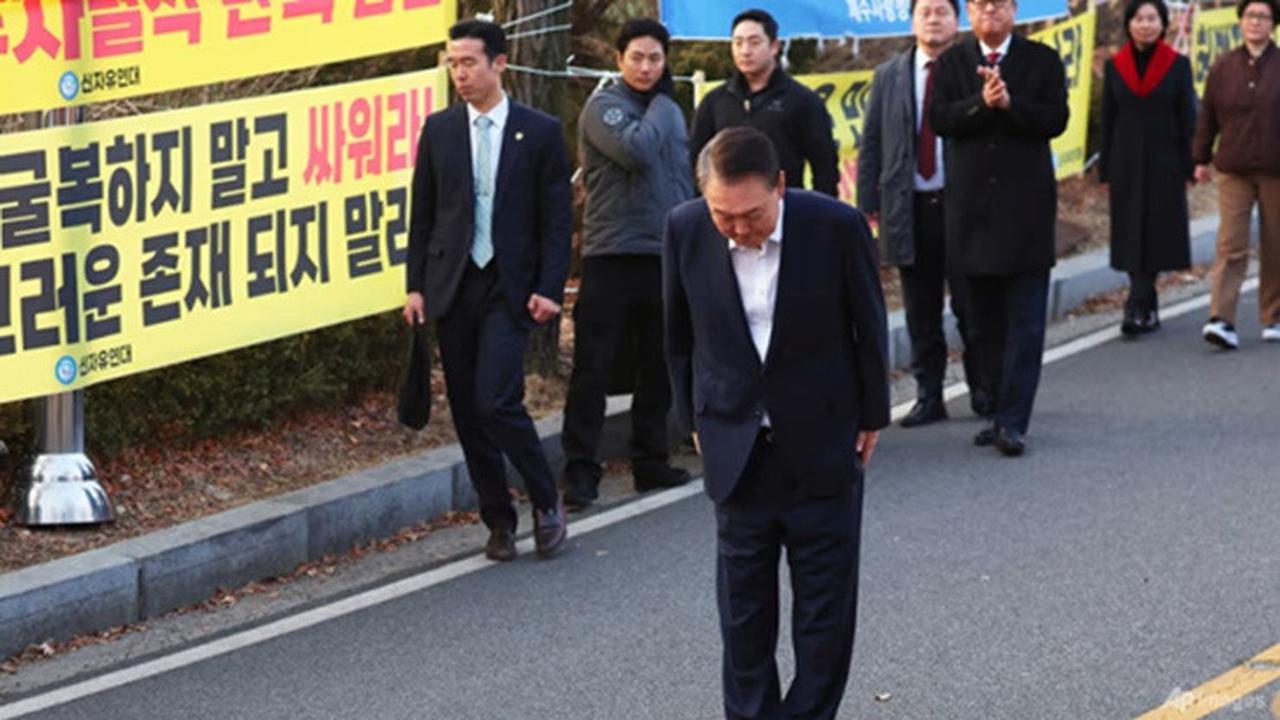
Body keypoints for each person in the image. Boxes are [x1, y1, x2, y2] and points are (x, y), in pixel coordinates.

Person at [664, 127, 890, 720]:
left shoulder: (836, 227)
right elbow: (678, 336)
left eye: (752, 215)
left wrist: (872, 414)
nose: (739, 229)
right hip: (736, 449)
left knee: (824, 615)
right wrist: (693, 418)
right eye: (724, 215)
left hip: (822, 441)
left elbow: (868, 324)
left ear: (781, 186)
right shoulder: (685, 229)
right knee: (743, 616)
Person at [403, 19, 571, 561]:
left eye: (469, 63)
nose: (460, 74)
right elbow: (422, 214)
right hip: (453, 284)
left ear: (499, 63)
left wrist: (550, 286)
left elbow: (557, 219)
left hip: (509, 284)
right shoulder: (440, 129)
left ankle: (546, 499)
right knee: (468, 413)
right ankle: (498, 518)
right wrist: (415, 287)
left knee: (497, 401)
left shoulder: (539, 131)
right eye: (453, 63)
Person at [560, 18, 695, 510]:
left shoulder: (669, 111)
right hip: (612, 255)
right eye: (636, 57)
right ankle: (580, 471)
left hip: (663, 253)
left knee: (658, 364)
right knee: (593, 369)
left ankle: (650, 461)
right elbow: (636, 152)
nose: (646, 67)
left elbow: (682, 178)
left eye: (655, 58)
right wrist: (662, 103)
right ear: (619, 60)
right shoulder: (606, 107)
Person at [929, 0, 1069, 457]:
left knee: (1025, 325)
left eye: (999, 3)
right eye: (980, 4)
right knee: (981, 325)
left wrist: (1010, 105)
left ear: (1014, 10)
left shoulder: (1041, 60)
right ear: (969, 13)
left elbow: (1055, 119)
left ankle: (1013, 421)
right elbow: (940, 119)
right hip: (971, 214)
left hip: (1025, 213)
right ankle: (993, 406)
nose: (990, 10)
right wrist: (981, 104)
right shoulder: (952, 62)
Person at [857, 0, 992, 427]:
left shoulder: (975, 68)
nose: (933, 19)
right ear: (912, 20)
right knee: (920, 310)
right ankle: (928, 395)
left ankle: (984, 389)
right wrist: (868, 205)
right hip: (909, 206)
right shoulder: (890, 75)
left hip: (962, 205)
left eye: (941, 11)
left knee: (972, 304)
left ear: (958, 20)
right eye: (925, 12)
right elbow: (872, 142)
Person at [1099, 0, 1196, 337]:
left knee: (1155, 233)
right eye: (1139, 19)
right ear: (1128, 24)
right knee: (1129, 233)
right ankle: (1144, 303)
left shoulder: (1178, 66)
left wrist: (1191, 164)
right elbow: (1108, 120)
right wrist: (1105, 169)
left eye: (1152, 18)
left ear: (1163, 24)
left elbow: (1188, 118)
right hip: (1125, 161)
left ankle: (1137, 305)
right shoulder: (1115, 67)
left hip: (1164, 161)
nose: (1145, 25)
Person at [1193, 0, 1280, 349]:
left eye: (1263, 17)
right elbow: (1207, 116)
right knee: (1230, 244)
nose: (1255, 22)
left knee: (1276, 244)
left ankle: (1273, 316)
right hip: (1234, 167)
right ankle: (1221, 318)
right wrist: (1200, 158)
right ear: (1240, 21)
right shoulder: (1223, 66)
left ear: (1273, 24)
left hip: (1276, 168)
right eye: (1250, 16)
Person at [689, 9, 840, 197]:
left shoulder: (802, 100)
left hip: (783, 205)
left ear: (774, 46)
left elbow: (825, 167)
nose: (745, 51)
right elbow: (696, 163)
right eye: (738, 43)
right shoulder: (715, 101)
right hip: (727, 207)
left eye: (754, 42)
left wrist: (820, 211)